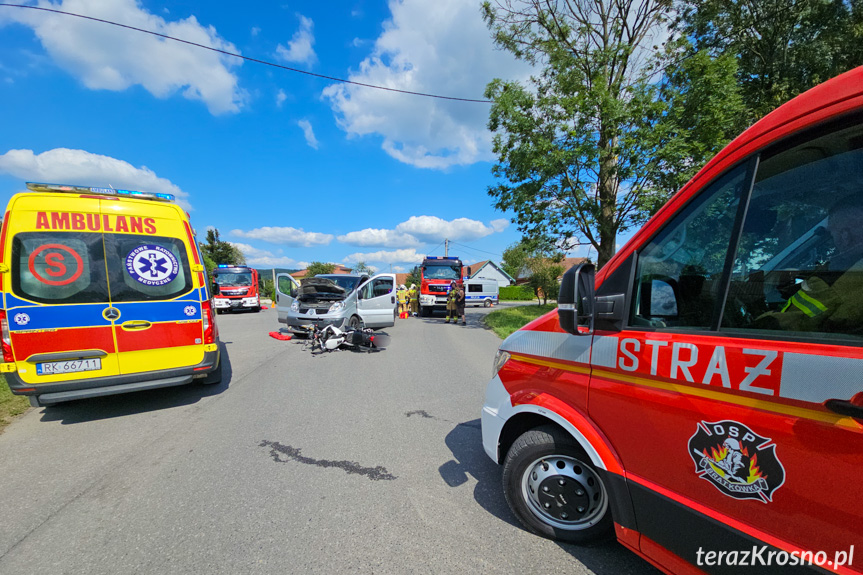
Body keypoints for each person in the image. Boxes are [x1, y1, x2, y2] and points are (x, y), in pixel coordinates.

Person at [758, 195, 863, 334]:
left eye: (832, 234)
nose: (835, 242)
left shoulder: (842, 280)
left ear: (845, 235)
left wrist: (751, 325)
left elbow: (789, 323)